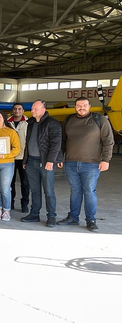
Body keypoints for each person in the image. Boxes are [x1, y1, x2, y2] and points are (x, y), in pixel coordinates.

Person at [58, 97, 114, 232]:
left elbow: (108, 141)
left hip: (92, 164)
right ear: (75, 106)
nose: (81, 107)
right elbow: (63, 141)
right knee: (75, 191)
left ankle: (91, 219)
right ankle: (73, 217)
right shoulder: (69, 119)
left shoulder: (100, 119)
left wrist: (106, 159)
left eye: (84, 105)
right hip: (71, 163)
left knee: (89, 191)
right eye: (78, 105)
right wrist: (60, 157)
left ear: (89, 106)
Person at [21, 100, 63, 227]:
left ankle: (51, 216)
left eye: (35, 109)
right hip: (31, 161)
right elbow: (27, 145)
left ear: (43, 110)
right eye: (32, 109)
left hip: (45, 162)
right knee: (34, 190)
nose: (32, 111)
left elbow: (56, 144)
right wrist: (25, 160)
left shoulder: (53, 123)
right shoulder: (31, 123)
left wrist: (51, 161)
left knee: (49, 191)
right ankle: (34, 214)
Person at [0, 112, 20, 221]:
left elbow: (17, 149)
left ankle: (7, 211)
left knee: (5, 189)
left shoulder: (11, 132)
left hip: (7, 164)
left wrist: (4, 155)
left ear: (4, 118)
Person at [8, 103, 29, 213]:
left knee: (25, 182)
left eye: (19, 109)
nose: (17, 111)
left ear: (23, 110)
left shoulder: (28, 123)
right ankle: (10, 202)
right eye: (15, 109)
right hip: (10, 157)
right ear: (13, 110)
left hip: (23, 157)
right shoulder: (7, 123)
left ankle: (24, 203)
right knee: (10, 183)